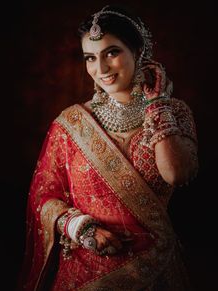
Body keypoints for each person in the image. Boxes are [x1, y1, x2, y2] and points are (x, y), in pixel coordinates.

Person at [18, 4, 198, 291]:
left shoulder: (173, 113)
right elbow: (42, 196)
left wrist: (157, 105)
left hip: (155, 271)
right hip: (84, 273)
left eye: (111, 53)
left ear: (138, 53)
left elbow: (177, 174)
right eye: (90, 57)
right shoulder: (70, 124)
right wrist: (79, 228)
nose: (100, 69)